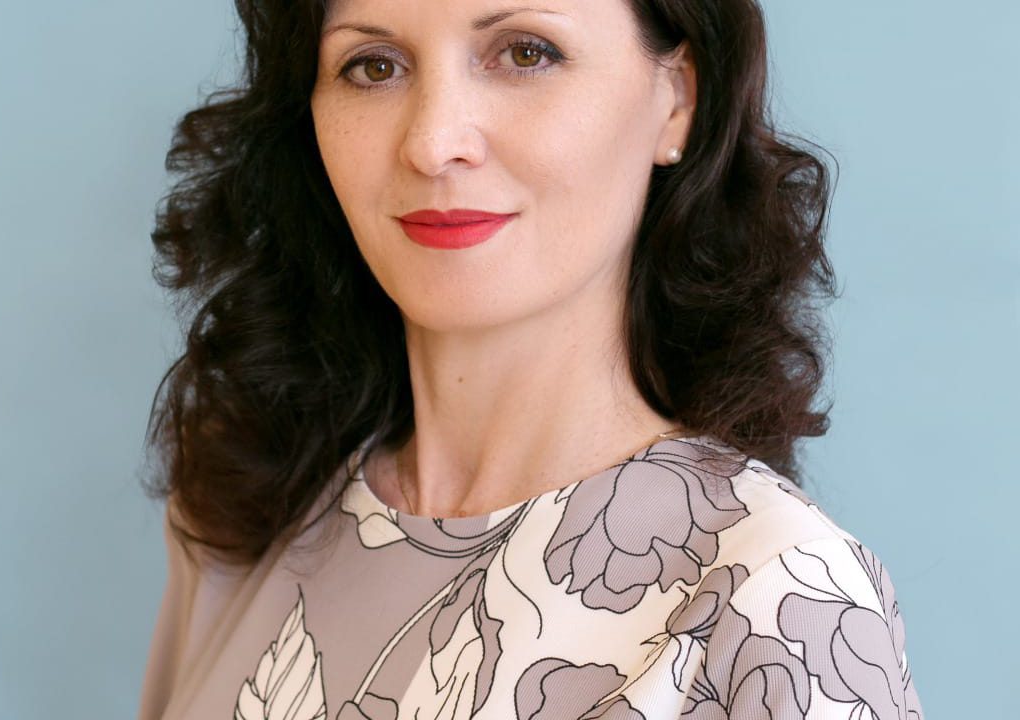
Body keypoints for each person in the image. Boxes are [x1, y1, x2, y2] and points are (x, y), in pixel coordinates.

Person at [138, 0, 923, 718]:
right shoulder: (239, 518)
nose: (433, 143)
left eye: (525, 53)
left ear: (678, 98)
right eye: (373, 65)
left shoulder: (782, 601)